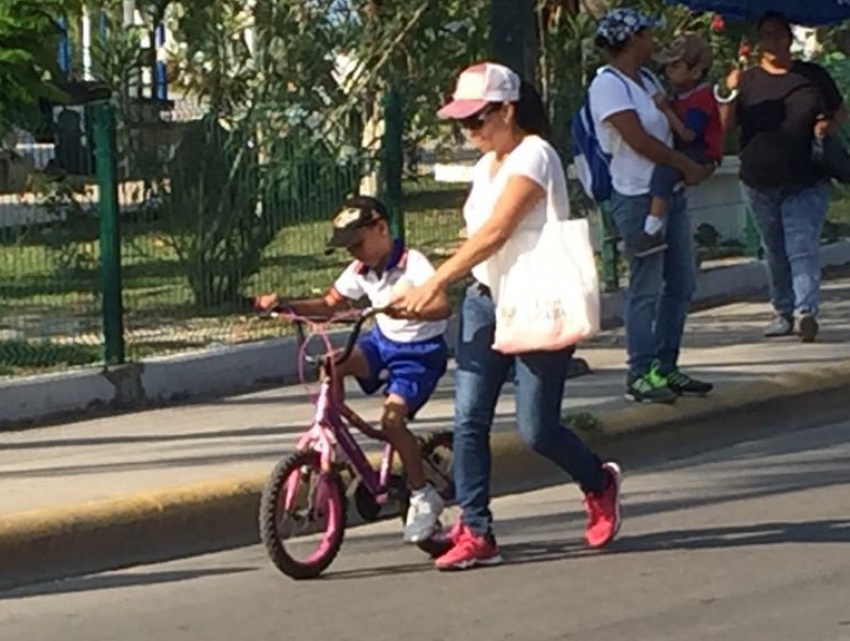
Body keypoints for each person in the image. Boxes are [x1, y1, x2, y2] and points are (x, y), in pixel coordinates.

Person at [394, 62, 622, 571]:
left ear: (508, 109)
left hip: (537, 301)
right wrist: (421, 281)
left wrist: (434, 281)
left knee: (537, 429)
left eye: (479, 119)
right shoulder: (485, 166)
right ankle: (477, 530)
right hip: (485, 302)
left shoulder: (535, 155)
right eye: (463, 122)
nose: (470, 131)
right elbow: (479, 241)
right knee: (468, 420)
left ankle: (598, 481)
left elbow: (497, 231)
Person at [254, 195, 452, 544]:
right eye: (349, 249)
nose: (355, 254)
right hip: (382, 343)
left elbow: (441, 306)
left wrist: (410, 310)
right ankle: (336, 441)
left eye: (358, 244)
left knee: (391, 422)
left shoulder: (412, 263)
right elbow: (331, 304)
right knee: (333, 363)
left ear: (381, 228)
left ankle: (422, 494)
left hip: (418, 354)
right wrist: (287, 305)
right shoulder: (360, 271)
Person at [587, 8, 715, 405]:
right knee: (645, 286)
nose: (654, 43)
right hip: (637, 195)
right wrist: (684, 165)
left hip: (670, 191)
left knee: (680, 284)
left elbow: (669, 124)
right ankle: (640, 371)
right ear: (630, 40)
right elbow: (639, 140)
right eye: (647, 35)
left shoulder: (645, 79)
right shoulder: (607, 86)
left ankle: (666, 364)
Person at [718, 11, 845, 343]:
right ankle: (782, 311)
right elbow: (724, 128)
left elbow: (838, 110)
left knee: (801, 246)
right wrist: (729, 92)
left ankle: (806, 311)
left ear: (789, 38)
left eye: (778, 35)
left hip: (806, 177)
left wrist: (826, 126)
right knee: (773, 249)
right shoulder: (747, 80)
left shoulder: (812, 75)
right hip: (759, 180)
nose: (772, 42)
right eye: (766, 36)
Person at [643, 33, 724, 256]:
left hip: (700, 152)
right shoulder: (682, 94)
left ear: (696, 71)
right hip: (690, 149)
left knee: (665, 172)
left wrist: (666, 110)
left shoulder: (701, 97)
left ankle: (653, 226)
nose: (669, 71)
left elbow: (689, 134)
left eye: (675, 66)